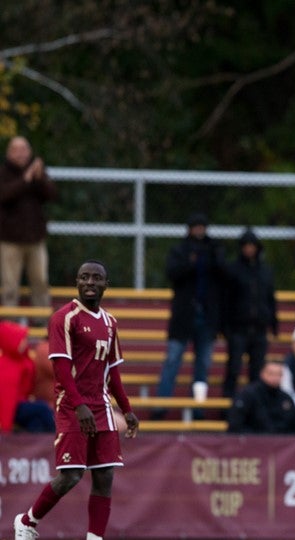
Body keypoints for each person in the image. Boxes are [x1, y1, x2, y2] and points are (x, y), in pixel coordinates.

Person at [13, 260, 139, 540]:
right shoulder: (64, 317)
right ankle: (27, 521)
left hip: (102, 406)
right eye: (84, 277)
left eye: (96, 278)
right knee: (71, 475)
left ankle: (94, 538)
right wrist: (79, 405)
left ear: (106, 284)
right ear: (77, 282)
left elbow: (113, 371)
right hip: (72, 406)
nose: (90, 282)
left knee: (105, 475)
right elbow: (61, 367)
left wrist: (127, 409)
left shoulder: (110, 322)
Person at [154, 213, 226, 419]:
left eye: (202, 227)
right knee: (172, 361)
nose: (199, 231)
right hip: (183, 317)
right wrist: (191, 263)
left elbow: (224, 274)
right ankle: (160, 407)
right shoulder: (180, 250)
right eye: (196, 227)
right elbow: (172, 273)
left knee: (202, 366)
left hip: (207, 317)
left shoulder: (214, 250)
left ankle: (198, 409)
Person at [0, 136, 57, 311]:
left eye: (24, 149)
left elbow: (52, 196)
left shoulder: (37, 173)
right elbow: (4, 195)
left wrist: (39, 178)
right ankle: (10, 326)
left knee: (41, 282)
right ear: (9, 153)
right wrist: (26, 179)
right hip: (10, 239)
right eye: (16, 150)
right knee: (10, 285)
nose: (21, 154)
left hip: (36, 239)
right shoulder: (3, 173)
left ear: (30, 151)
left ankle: (42, 322)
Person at [221, 228, 278, 399]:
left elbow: (270, 298)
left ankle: (253, 406)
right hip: (238, 327)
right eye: (246, 245)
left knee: (256, 371)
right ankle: (229, 405)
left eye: (252, 245)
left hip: (259, 328)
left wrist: (273, 323)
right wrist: (225, 327)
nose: (249, 249)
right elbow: (226, 299)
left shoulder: (265, 271)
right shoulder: (233, 270)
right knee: (233, 369)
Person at [226, 358, 295, 434]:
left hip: (280, 443)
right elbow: (235, 424)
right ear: (262, 373)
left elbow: (292, 427)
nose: (275, 377)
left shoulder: (286, 399)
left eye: (279, 374)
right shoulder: (247, 395)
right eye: (271, 373)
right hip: (251, 442)